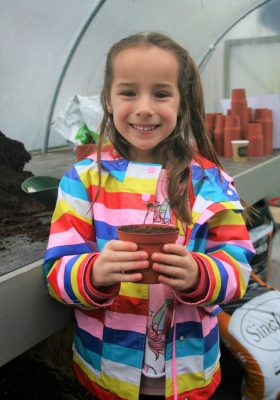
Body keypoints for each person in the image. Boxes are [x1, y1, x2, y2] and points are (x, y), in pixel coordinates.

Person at [44, 32, 254, 400]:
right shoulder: (84, 181)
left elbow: (238, 271)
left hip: (189, 376)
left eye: (160, 93)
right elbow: (57, 271)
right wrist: (93, 272)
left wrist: (199, 274)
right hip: (105, 371)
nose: (144, 108)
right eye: (128, 92)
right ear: (108, 100)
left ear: (181, 101)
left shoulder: (210, 182)